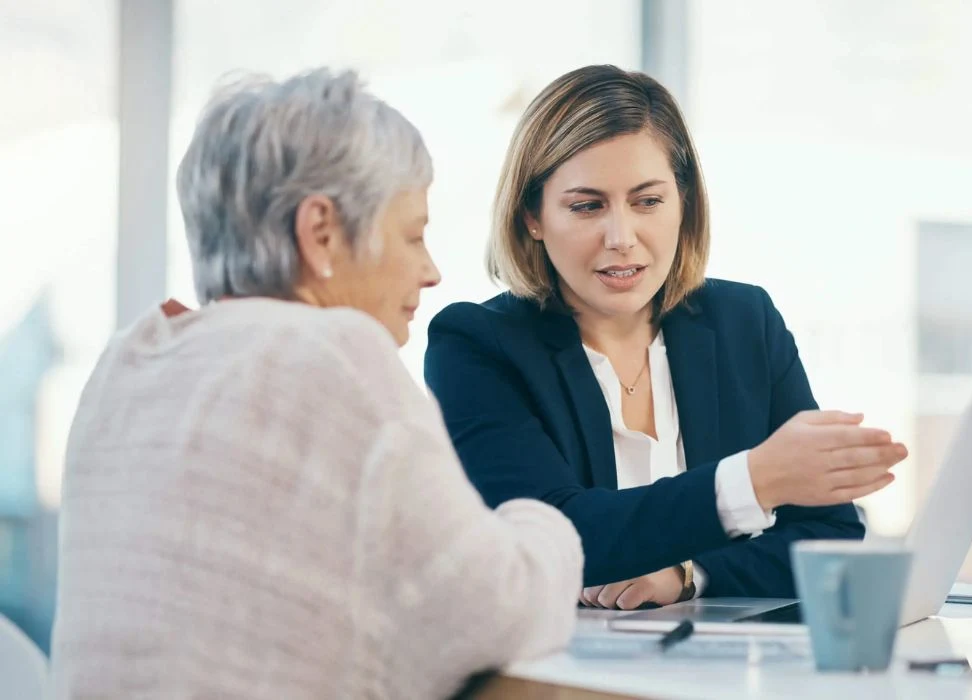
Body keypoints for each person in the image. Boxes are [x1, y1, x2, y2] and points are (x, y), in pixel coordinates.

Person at [49, 68, 582, 699]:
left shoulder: (131, 362)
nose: (431, 270)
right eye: (412, 234)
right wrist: (540, 521)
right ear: (321, 232)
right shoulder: (333, 355)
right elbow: (499, 611)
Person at [424, 64, 907, 610]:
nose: (621, 238)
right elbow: (556, 538)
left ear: (683, 203)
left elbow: (829, 535)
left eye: (647, 201)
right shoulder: (476, 345)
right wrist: (753, 482)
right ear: (532, 216)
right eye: (587, 206)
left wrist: (689, 574)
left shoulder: (744, 320)